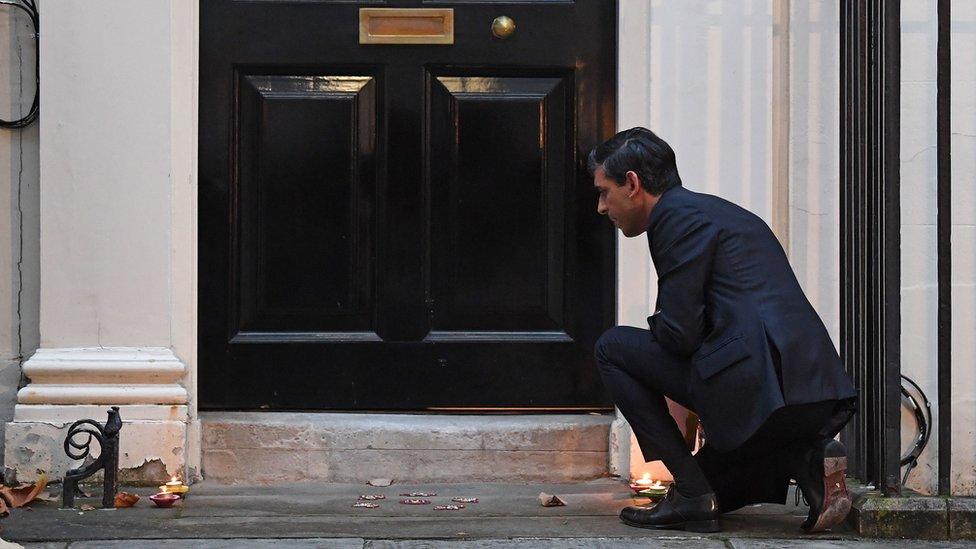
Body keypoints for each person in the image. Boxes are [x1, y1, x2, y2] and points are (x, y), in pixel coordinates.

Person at [590, 127, 857, 534]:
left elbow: (680, 335)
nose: (601, 207)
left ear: (632, 184)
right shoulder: (718, 211)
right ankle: (805, 456)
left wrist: (660, 339)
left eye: (604, 192)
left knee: (612, 347)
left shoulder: (675, 220)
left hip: (763, 392)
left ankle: (693, 493)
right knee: (718, 491)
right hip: (809, 395)